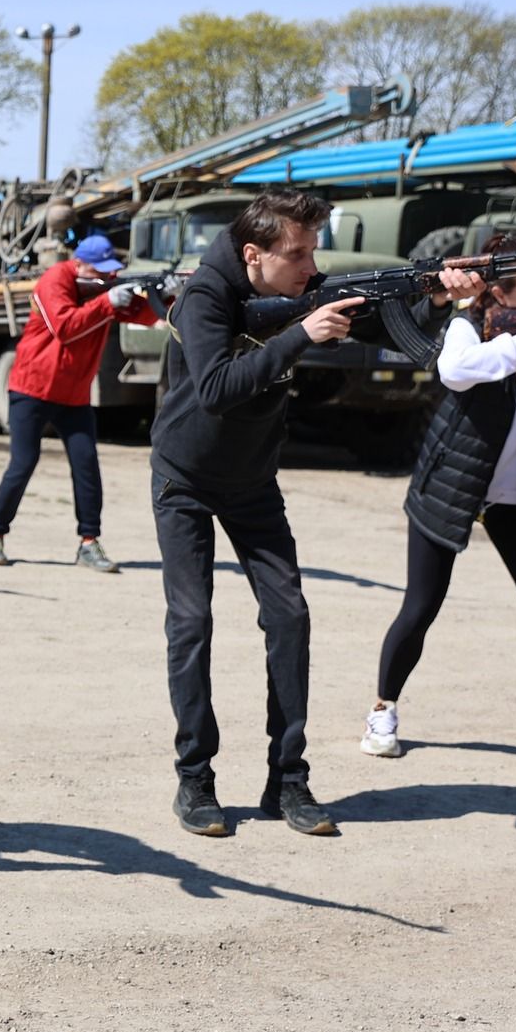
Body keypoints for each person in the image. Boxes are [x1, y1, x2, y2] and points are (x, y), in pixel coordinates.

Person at [150, 189, 364, 838]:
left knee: (290, 616)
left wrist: (437, 296)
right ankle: (195, 778)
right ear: (253, 254)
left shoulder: (299, 283)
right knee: (192, 622)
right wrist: (300, 334)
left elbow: (373, 316)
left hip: (252, 481)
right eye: (297, 254)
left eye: (314, 251)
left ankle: (288, 779)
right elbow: (216, 388)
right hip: (186, 477)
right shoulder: (205, 296)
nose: (310, 266)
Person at [360, 234, 516, 793]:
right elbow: (456, 370)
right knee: (420, 607)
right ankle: (382, 709)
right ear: (499, 295)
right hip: (452, 485)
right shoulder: (469, 327)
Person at [0, 234, 157, 573]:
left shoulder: (102, 287)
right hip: (32, 389)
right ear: (79, 265)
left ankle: (89, 543)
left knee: (86, 465)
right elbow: (65, 327)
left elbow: (144, 316)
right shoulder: (55, 280)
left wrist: (164, 296)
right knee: (23, 463)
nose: (106, 276)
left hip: (74, 395)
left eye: (109, 271)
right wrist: (108, 301)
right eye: (99, 270)